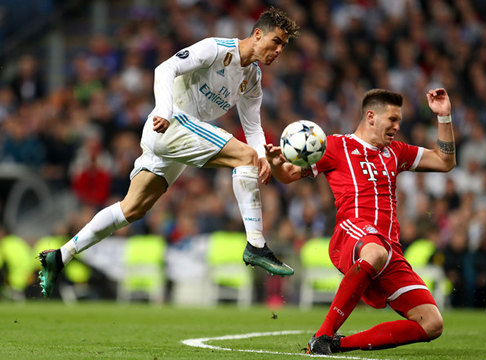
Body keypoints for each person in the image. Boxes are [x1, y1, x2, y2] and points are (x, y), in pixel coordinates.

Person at [38, 7, 300, 298]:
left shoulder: (252, 79)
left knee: (132, 208)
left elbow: (253, 127)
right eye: (276, 41)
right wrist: (163, 109)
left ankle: (61, 255)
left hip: (179, 137)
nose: (279, 50)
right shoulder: (216, 48)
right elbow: (164, 68)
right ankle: (256, 244)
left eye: (284, 46)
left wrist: (263, 157)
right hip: (170, 123)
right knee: (245, 157)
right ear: (258, 34)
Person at [265, 88, 455, 354]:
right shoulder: (334, 146)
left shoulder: (396, 152)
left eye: (399, 120)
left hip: (389, 248)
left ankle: (335, 345)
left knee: (432, 324)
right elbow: (286, 175)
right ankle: (323, 334)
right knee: (374, 250)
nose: (398, 126)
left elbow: (445, 161)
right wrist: (275, 164)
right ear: (371, 117)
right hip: (353, 233)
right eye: (393, 119)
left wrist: (444, 117)